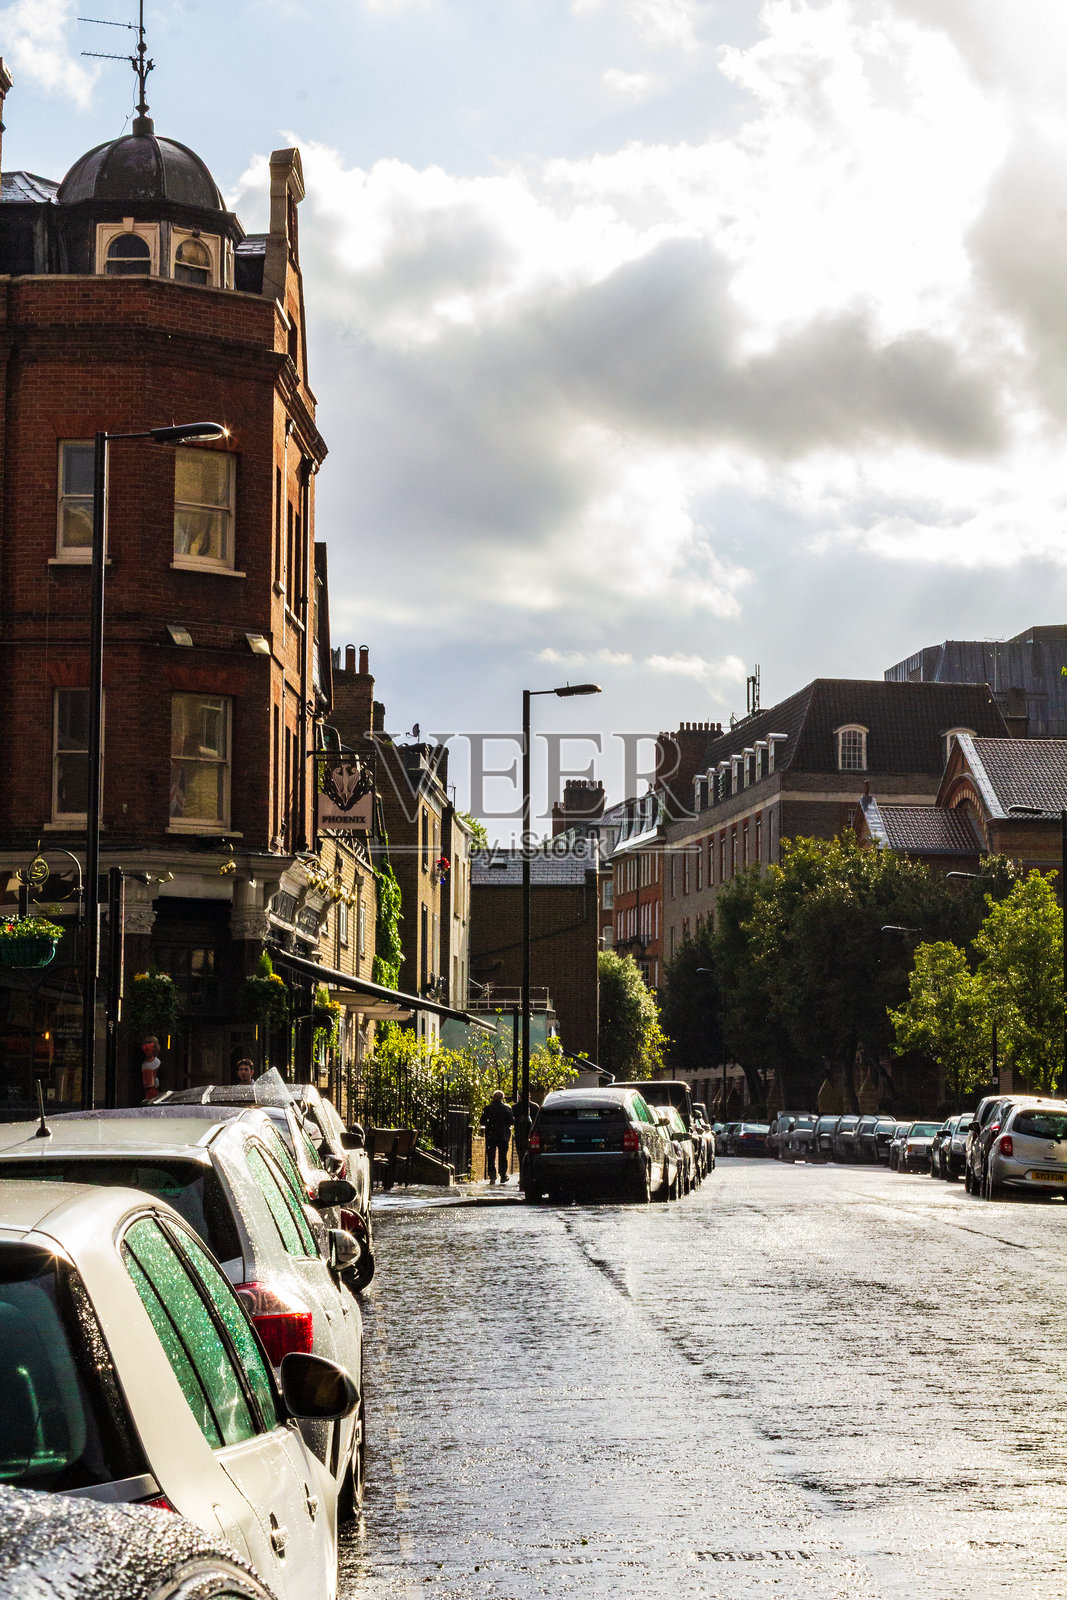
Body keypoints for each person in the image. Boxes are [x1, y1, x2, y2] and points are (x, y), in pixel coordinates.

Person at [481, 1089, 514, 1185]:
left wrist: (489, 1124)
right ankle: (503, 1175)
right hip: (503, 1135)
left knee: (491, 1155)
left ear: (494, 1097)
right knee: (503, 1156)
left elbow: (482, 1121)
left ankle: (492, 1175)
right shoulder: (507, 1108)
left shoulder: (488, 1108)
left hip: (491, 1135)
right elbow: (512, 1121)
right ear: (503, 1098)